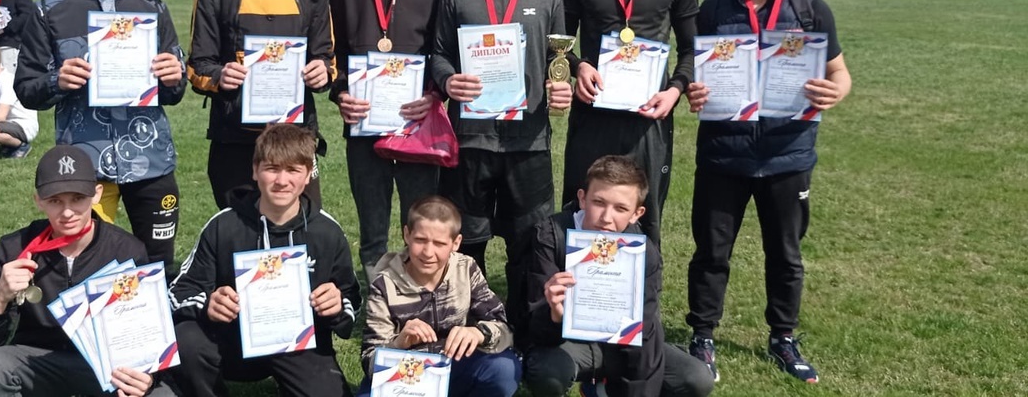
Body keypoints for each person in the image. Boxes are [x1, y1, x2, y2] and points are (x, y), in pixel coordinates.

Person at [683, 0, 852, 385]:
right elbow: (695, 72)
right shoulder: (714, 10)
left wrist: (835, 91)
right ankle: (702, 335)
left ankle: (783, 336)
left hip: (787, 154)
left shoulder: (811, 9)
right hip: (723, 154)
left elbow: (840, 73)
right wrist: (695, 93)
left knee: (785, 253)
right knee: (711, 252)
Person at [15, 0, 187, 277]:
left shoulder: (151, 8)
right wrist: (56, 81)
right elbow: (26, 88)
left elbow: (175, 92)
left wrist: (175, 77)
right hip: (84, 164)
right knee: (86, 265)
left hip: (150, 159)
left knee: (158, 263)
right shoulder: (50, 11)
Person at [429, 0, 572, 336]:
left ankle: (524, 331)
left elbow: (560, 57)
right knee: (467, 242)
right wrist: (448, 81)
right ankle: (465, 326)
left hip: (529, 141)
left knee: (528, 242)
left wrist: (561, 85)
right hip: (471, 140)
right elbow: (438, 54)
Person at [558, 0, 699, 248]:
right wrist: (578, 66)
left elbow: (691, 48)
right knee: (583, 208)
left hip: (649, 116)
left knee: (643, 213)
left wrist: (675, 91)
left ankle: (644, 284)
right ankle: (579, 285)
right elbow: (559, 44)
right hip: (594, 112)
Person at [0, 144, 174, 397]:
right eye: (55, 201)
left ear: (96, 195)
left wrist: (148, 377)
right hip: (37, 361)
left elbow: (151, 335)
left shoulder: (126, 250)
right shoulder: (14, 249)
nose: (67, 212)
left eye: (77, 199)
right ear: (38, 200)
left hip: (107, 367)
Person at [168, 123, 359, 397]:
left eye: (293, 170)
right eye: (272, 168)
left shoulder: (327, 232)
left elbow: (351, 295)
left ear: (308, 174)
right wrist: (209, 303)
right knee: (186, 340)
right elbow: (180, 291)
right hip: (231, 341)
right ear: (255, 170)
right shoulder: (223, 226)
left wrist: (337, 305)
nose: (281, 180)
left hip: (298, 344)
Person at [188, 0, 335, 209]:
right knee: (237, 229)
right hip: (234, 136)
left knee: (302, 226)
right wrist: (220, 76)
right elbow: (198, 65)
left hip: (295, 135)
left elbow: (326, 57)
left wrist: (322, 71)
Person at [329, 0, 449, 279]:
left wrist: (434, 94)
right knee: (372, 224)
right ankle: (379, 296)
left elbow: (443, 50)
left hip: (416, 122)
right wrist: (341, 94)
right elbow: (334, 52)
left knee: (421, 219)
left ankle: (420, 293)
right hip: (364, 123)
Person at [522, 156, 715, 397]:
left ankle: (602, 389)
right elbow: (534, 327)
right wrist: (555, 314)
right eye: (598, 202)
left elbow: (646, 331)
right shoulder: (552, 236)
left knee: (697, 379)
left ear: (637, 213)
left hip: (624, 344)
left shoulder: (643, 251)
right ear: (582, 198)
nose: (606, 217)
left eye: (621, 208)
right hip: (570, 344)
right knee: (547, 373)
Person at [359, 195, 520, 397]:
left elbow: (504, 329)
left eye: (439, 243)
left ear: (456, 243)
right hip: (407, 372)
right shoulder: (384, 283)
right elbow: (369, 359)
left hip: (454, 363)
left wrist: (479, 333)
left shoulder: (465, 269)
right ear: (407, 235)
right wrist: (399, 343)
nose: (428, 252)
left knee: (504, 368)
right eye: (420, 240)